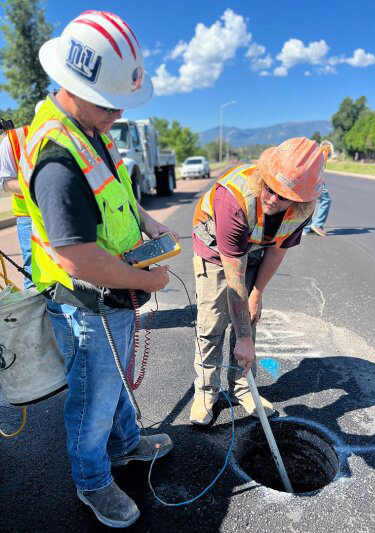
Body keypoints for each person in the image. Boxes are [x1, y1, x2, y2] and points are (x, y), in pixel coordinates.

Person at [18, 11, 177, 528]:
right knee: (92, 399)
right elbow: (77, 257)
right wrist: (146, 280)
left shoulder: (91, 129)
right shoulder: (58, 159)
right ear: (72, 85)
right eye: (110, 103)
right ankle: (92, 481)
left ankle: (127, 444)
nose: (117, 114)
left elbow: (122, 201)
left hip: (113, 294)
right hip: (86, 304)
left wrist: (150, 225)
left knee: (109, 387)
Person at [191, 138, 331, 425]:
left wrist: (257, 293)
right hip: (218, 252)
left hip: (255, 248)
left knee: (249, 318)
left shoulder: (302, 209)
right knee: (212, 323)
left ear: (301, 199)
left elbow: (276, 250)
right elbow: (233, 279)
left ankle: (244, 388)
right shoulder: (233, 198)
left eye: (283, 197)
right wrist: (241, 336)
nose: (271, 199)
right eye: (269, 189)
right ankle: (206, 392)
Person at [0, 122, 33, 288]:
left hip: (71, 214)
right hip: (29, 217)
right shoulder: (15, 138)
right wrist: (39, 188)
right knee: (34, 273)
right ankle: (35, 313)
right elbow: (4, 181)